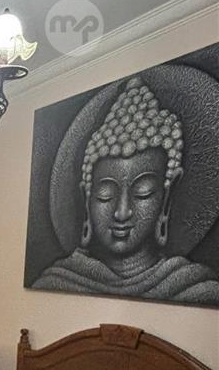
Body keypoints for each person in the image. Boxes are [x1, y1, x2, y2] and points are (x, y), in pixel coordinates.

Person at [33, 76, 219, 304]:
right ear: (86, 200)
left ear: (167, 199)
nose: (121, 212)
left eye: (143, 192)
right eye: (105, 195)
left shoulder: (197, 289)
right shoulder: (56, 280)